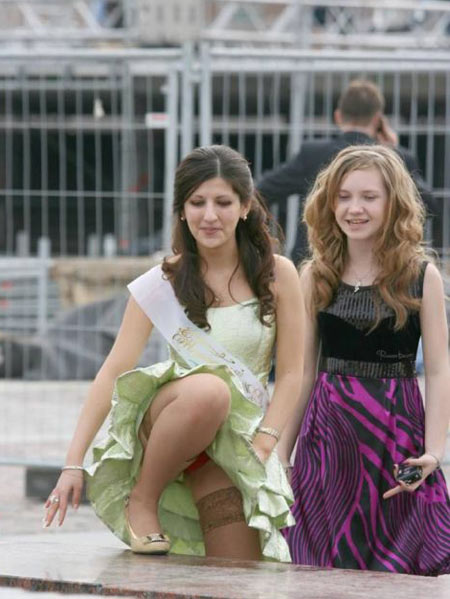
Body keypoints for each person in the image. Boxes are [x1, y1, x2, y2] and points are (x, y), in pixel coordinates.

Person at [42, 144, 304, 562]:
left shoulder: (278, 274)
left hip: (236, 441)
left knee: (239, 570)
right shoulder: (161, 282)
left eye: (223, 202)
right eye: (197, 202)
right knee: (209, 390)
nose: (209, 215)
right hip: (174, 423)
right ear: (181, 210)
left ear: (245, 207)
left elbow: (292, 373)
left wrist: (264, 443)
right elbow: (113, 371)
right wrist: (73, 463)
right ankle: (142, 500)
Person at [278, 145, 450, 575]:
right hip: (327, 439)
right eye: (343, 196)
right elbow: (302, 372)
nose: (354, 208)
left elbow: (439, 369)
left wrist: (433, 452)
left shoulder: (422, 275)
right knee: (319, 564)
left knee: (399, 562)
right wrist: (281, 453)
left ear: (394, 203)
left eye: (369, 197)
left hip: (396, 434)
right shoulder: (315, 275)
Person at [257, 79, 436, 263]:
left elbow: (262, 191)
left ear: (338, 116)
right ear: (378, 120)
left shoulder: (312, 154)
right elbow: (428, 206)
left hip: (314, 258)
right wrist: (393, 151)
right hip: (379, 261)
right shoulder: (396, 158)